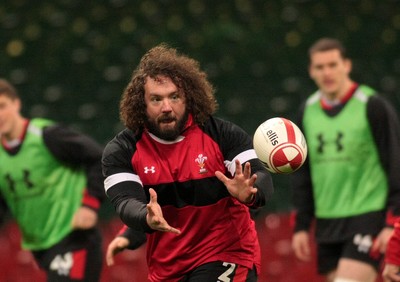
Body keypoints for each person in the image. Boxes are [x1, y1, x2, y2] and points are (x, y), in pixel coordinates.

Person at [102, 43, 274, 282]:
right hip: (168, 269)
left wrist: (251, 193)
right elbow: (126, 202)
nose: (166, 107)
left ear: (189, 97)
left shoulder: (222, 135)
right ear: (141, 104)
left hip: (227, 253)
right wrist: (144, 218)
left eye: (174, 97)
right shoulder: (122, 151)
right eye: (156, 99)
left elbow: (261, 176)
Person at [290, 38, 400, 282]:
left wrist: (392, 222)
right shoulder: (307, 111)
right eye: (320, 67)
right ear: (311, 70)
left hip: (368, 215)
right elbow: (303, 174)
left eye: (333, 64)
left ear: (347, 65)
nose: (327, 73)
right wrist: (301, 225)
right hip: (328, 221)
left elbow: (395, 165)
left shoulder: (372, 105)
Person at [0, 78, 106, 281]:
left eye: (2, 106)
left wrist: (90, 204)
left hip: (75, 238)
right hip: (43, 247)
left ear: (16, 104)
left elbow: (101, 159)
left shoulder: (46, 136)